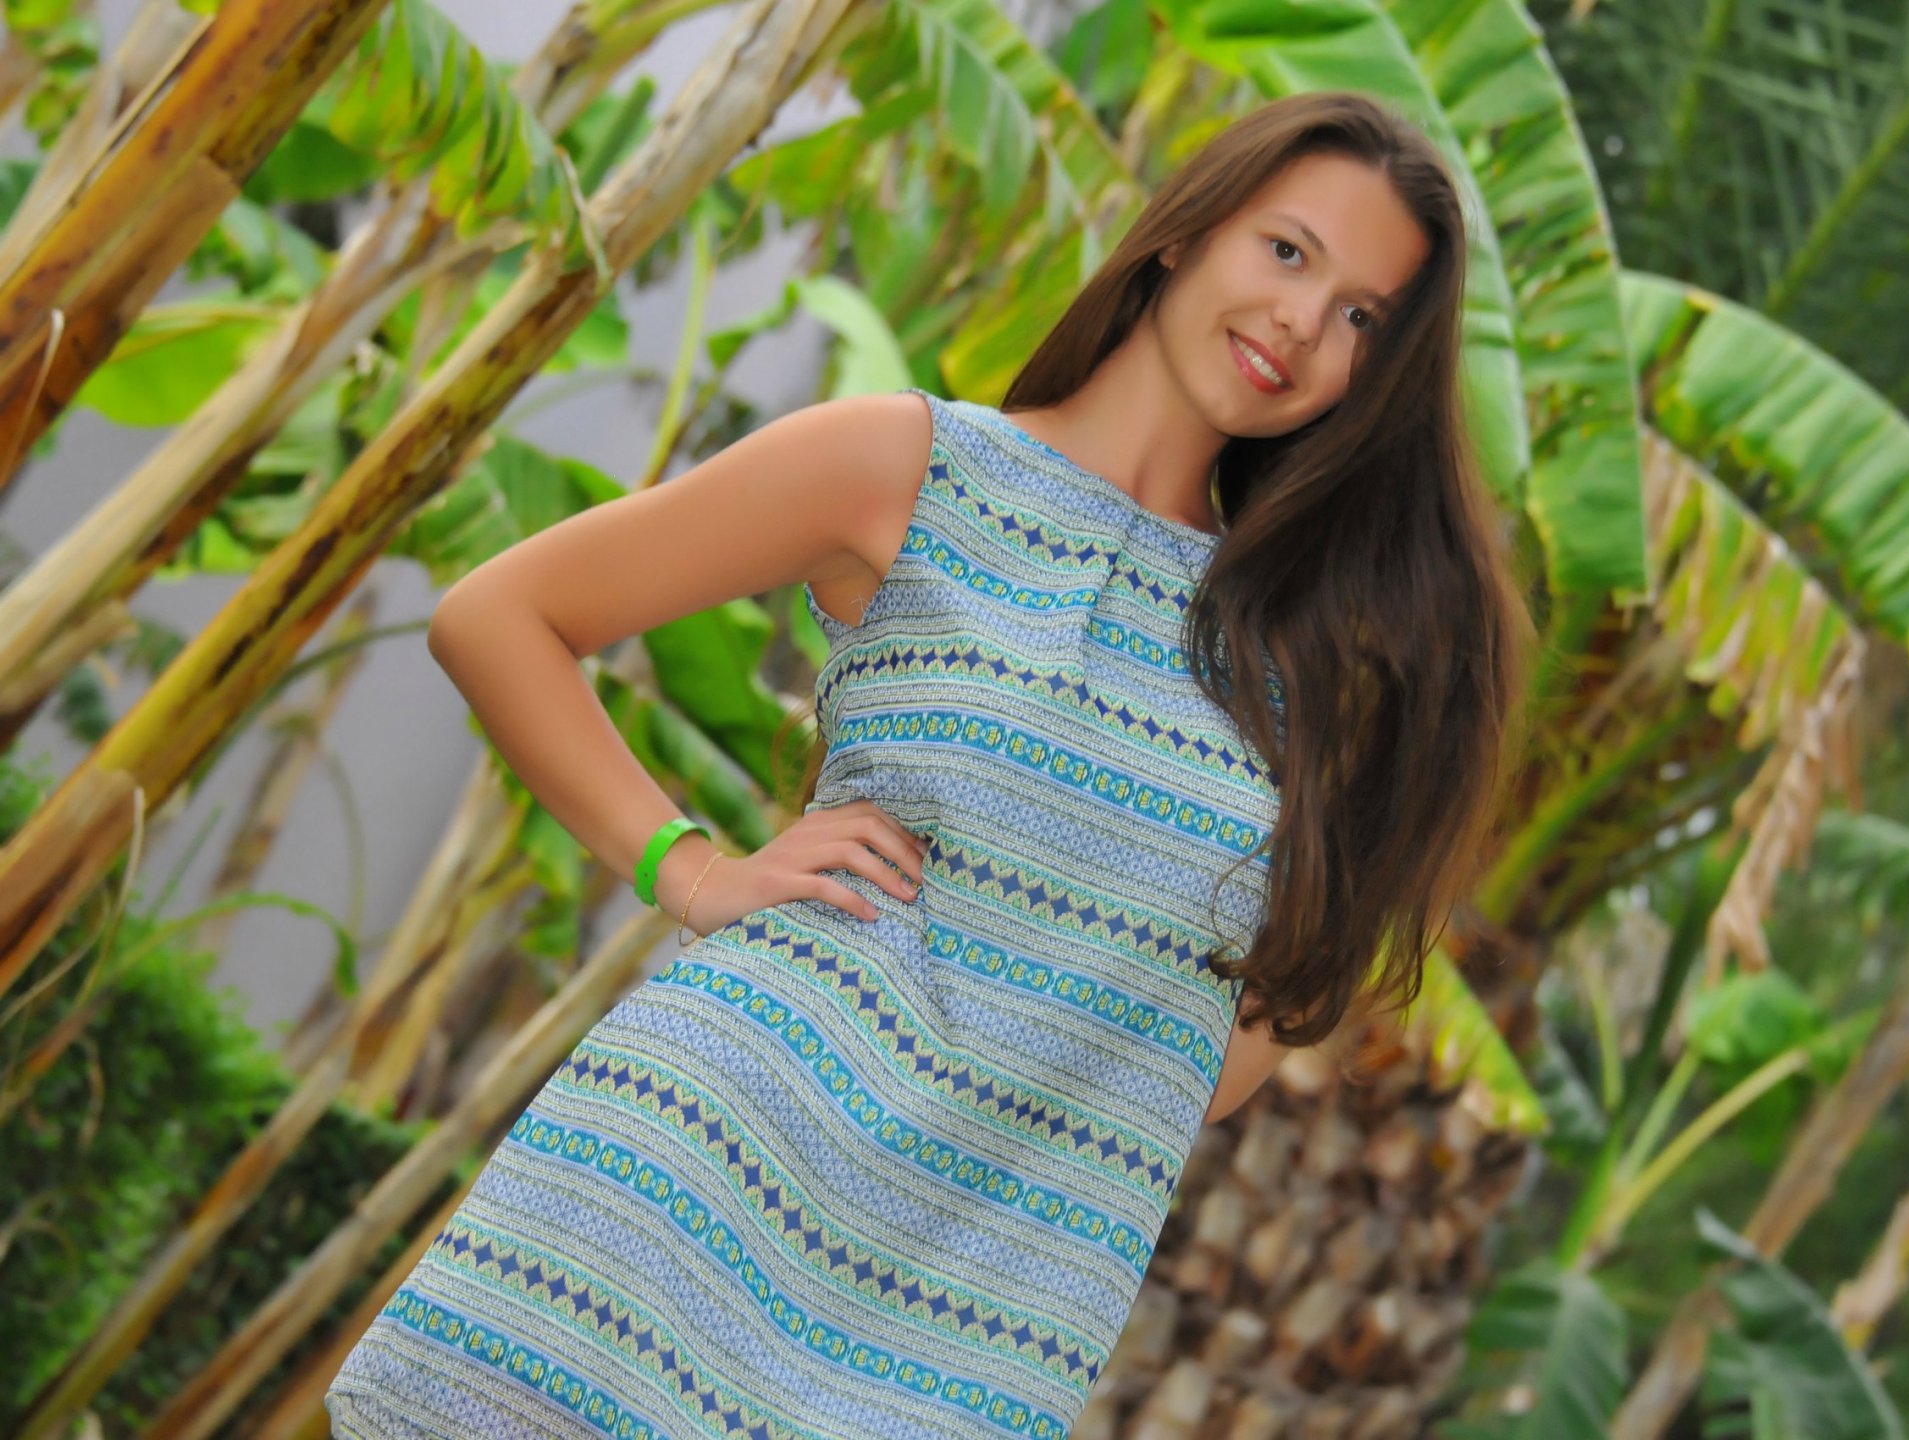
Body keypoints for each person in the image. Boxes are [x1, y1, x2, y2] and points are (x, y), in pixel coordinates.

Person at [325, 88, 1532, 1440]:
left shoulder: (1297, 657)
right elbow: (499, 616)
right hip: (690, 1182)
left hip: (983, 1311)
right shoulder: (910, 465)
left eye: (1362, 314)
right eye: (1288, 251)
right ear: (1186, 235)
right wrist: (690, 868)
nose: (1303, 322)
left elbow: (1213, 1059)